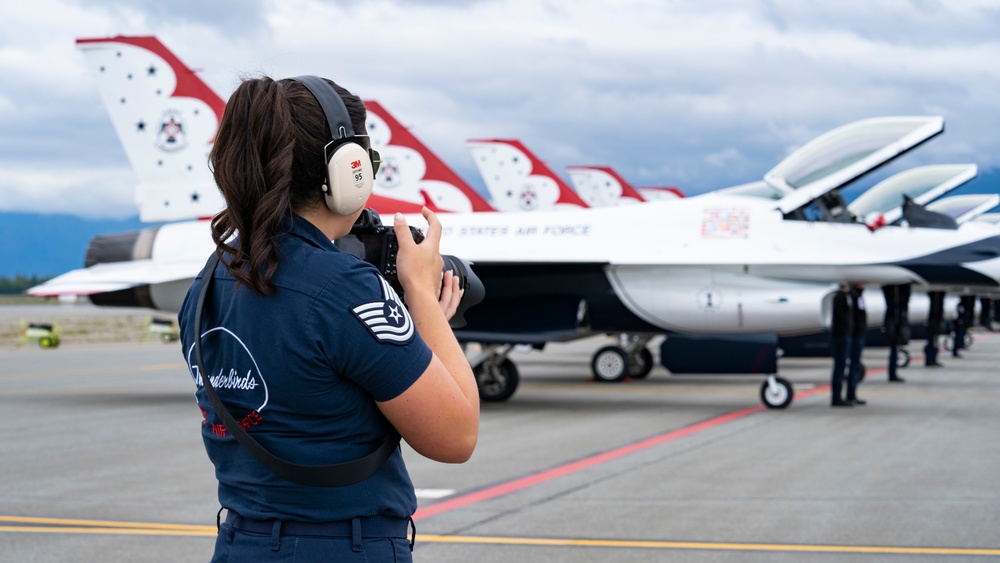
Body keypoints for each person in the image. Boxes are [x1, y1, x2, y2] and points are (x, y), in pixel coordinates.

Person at [177, 75, 479, 562]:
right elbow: (456, 437)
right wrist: (422, 294)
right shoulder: (345, 289)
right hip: (340, 546)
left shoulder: (208, 282)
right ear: (347, 170)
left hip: (239, 543)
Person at [829, 283, 854, 407]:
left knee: (842, 365)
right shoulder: (840, 297)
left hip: (845, 334)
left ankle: (839, 396)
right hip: (841, 335)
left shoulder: (848, 296)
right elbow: (840, 316)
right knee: (840, 365)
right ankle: (836, 397)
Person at [846, 283, 867, 405]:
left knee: (855, 366)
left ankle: (852, 394)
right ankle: (850, 395)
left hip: (858, 335)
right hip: (855, 336)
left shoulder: (858, 296)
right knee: (854, 365)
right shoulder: (852, 296)